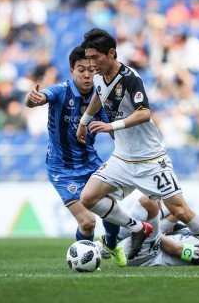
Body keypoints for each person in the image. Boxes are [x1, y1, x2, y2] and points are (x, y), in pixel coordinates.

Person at [76, 28, 199, 270]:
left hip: (151, 159)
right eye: (88, 58)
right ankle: (138, 228)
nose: (91, 64)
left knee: (179, 210)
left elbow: (145, 112)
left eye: (96, 57)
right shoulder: (98, 76)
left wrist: (110, 125)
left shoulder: (130, 78)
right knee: (88, 198)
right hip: (122, 158)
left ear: (111, 53)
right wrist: (84, 122)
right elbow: (99, 94)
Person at [24, 46, 126, 267]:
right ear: (72, 71)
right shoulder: (60, 91)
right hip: (62, 168)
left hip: (90, 162)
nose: (87, 75)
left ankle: (110, 242)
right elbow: (38, 99)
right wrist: (32, 99)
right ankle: (86, 262)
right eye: (81, 70)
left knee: (111, 206)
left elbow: (109, 126)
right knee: (88, 222)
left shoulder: (100, 94)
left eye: (91, 70)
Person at [119, 196, 199, 267]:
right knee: (173, 206)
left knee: (149, 203)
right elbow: (177, 215)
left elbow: (173, 249)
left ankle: (113, 240)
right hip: (149, 242)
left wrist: (151, 230)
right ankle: (118, 236)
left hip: (146, 256)